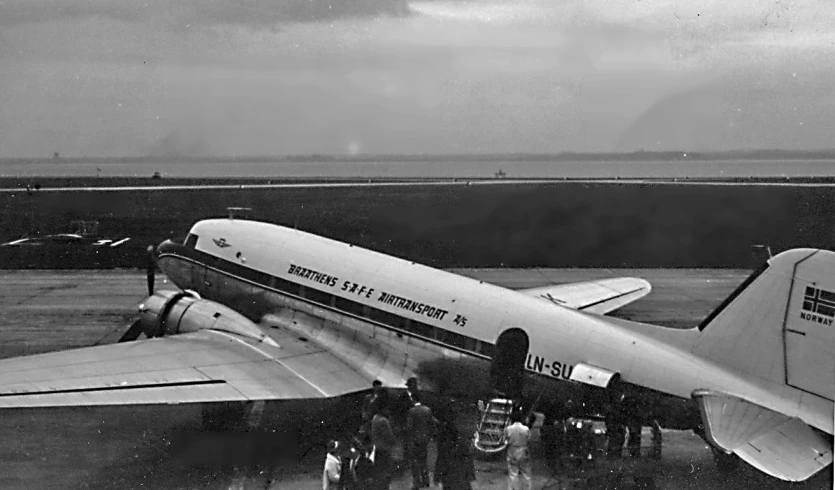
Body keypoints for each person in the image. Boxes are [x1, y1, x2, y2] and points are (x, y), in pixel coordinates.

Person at [435, 402, 476, 490]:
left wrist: (437, 477)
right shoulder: (462, 442)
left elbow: (440, 460)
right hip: (461, 479)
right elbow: (468, 459)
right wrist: (470, 475)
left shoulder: (444, 446)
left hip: (449, 478)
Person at [406, 394, 436, 489]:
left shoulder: (412, 411)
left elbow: (409, 426)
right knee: (423, 460)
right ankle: (426, 480)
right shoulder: (427, 410)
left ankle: (417, 483)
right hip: (425, 438)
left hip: (415, 439)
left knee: (414, 462)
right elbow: (431, 424)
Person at [371, 402, 397, 490]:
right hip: (385, 448)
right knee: (386, 471)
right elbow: (389, 435)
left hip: (377, 447)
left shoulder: (375, 418)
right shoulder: (383, 421)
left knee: (379, 471)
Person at [505, 410, 531, 490]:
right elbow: (528, 439)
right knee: (526, 473)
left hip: (512, 451)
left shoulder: (508, 429)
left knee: (513, 474)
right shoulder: (526, 429)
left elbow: (505, 440)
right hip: (523, 451)